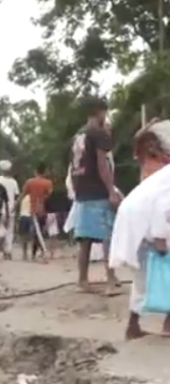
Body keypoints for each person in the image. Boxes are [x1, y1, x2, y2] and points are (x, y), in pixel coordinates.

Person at [110, 164, 170, 339]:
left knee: (141, 279)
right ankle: (166, 325)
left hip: (137, 220)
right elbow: (163, 205)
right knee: (155, 276)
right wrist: (160, 239)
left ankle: (133, 326)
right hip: (143, 224)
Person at [71, 98, 120, 293]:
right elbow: (102, 164)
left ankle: (82, 280)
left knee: (85, 239)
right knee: (108, 235)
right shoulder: (98, 134)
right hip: (97, 189)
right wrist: (111, 191)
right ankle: (109, 280)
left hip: (82, 190)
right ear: (99, 112)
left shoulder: (79, 135)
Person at [19, 162, 53, 263]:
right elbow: (50, 195)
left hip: (32, 210)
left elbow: (23, 195)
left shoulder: (30, 182)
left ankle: (26, 253)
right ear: (45, 171)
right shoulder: (48, 183)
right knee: (39, 233)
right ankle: (35, 253)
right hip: (42, 210)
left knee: (26, 232)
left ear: (35, 171)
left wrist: (14, 206)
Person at [0, 160, 19, 258]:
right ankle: (8, 251)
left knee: (0, 229)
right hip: (11, 209)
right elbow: (17, 195)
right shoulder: (14, 182)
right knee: (10, 230)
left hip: (0, 209)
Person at [18, 195, 32, 260]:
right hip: (29, 216)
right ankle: (26, 252)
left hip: (23, 216)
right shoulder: (32, 197)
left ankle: (25, 252)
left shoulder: (22, 197)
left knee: (23, 235)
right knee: (27, 235)